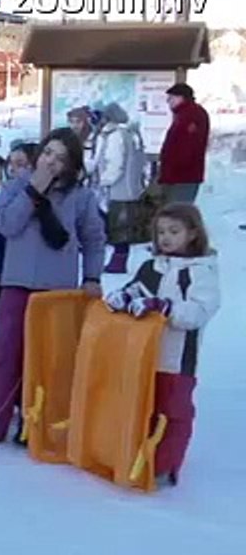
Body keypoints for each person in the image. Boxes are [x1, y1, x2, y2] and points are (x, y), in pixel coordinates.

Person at [0, 128, 106, 445]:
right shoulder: (15, 188)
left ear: (72, 165)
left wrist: (92, 277)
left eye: (60, 158)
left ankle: (36, 423)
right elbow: (6, 225)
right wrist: (32, 193)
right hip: (16, 283)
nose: (51, 162)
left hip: (57, 290)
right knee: (3, 354)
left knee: (48, 360)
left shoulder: (81, 197)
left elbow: (93, 239)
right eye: (48, 153)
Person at [102, 203, 219, 485]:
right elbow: (136, 288)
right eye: (161, 232)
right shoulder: (152, 266)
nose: (165, 238)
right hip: (144, 354)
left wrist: (165, 307)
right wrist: (123, 297)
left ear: (192, 233)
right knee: (145, 407)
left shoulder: (201, 271)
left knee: (174, 412)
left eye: (174, 231)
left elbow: (199, 311)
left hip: (177, 359)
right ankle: (136, 454)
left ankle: (165, 464)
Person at [0, 142, 39, 309]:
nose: (12, 169)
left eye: (20, 164)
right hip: (2, 273)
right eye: (10, 163)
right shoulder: (2, 191)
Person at [94, 102, 147, 274]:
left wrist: (104, 180)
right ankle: (118, 260)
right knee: (119, 225)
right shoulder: (125, 133)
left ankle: (118, 262)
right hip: (126, 187)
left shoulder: (116, 136)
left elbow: (115, 162)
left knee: (119, 226)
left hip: (119, 188)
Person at [158, 83, 211, 204]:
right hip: (180, 175)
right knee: (177, 211)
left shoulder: (191, 115)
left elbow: (186, 147)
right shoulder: (185, 114)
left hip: (182, 176)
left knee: (179, 212)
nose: (168, 101)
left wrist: (171, 167)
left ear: (181, 97)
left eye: (171, 98)